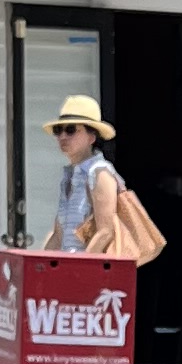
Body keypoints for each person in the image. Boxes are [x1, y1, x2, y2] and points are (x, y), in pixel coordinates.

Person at [43, 94, 128, 251]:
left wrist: (80, 265)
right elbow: (59, 235)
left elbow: (105, 232)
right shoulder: (68, 176)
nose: (62, 136)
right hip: (68, 264)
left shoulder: (100, 173)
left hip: (90, 266)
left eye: (71, 130)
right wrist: (40, 264)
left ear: (91, 137)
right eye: (58, 130)